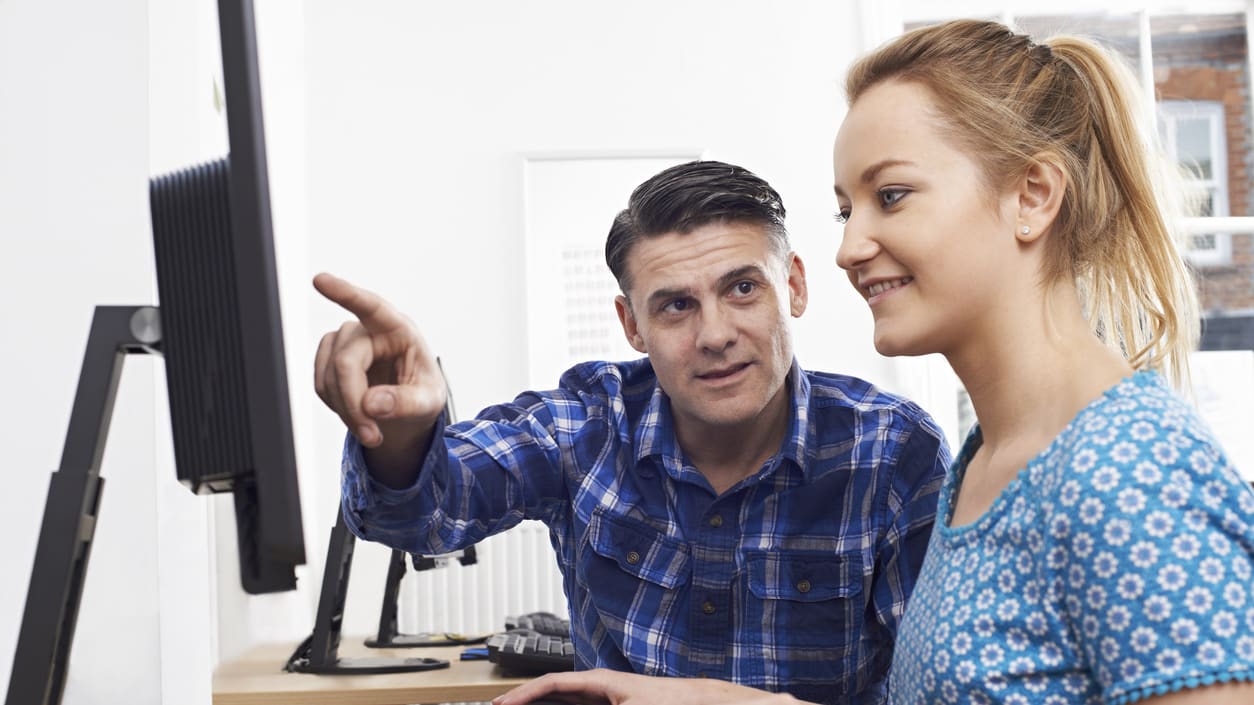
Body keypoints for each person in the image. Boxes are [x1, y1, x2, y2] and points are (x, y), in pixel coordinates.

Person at [496, 18, 1254, 705]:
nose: (850, 247)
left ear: (1032, 195)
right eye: (845, 208)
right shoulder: (985, 464)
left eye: (891, 196)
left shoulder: (1131, 469)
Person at [313, 160, 951, 705]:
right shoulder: (588, 423)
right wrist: (403, 429)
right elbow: (421, 514)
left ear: (794, 287)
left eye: (743, 288)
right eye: (676, 305)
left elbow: (936, 694)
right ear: (631, 326)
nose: (716, 334)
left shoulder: (893, 452)